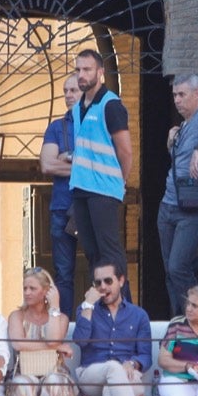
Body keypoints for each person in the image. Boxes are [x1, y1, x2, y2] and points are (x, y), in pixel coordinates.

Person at [67, 51, 133, 279]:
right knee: (92, 254)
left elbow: (125, 151)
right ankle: (103, 306)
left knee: (110, 253)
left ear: (100, 73)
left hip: (104, 189)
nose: (81, 75)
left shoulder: (110, 104)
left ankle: (125, 308)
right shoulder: (77, 108)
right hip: (81, 188)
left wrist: (119, 180)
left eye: (87, 69)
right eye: (78, 70)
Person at [157, 74, 198, 317]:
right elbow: (177, 160)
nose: (177, 100)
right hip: (168, 205)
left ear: (196, 94)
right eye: (174, 95)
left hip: (194, 208)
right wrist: (171, 140)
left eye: (182, 94)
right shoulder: (182, 126)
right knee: (171, 272)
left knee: (178, 267)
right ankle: (179, 319)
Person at [73, 261, 151, 396]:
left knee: (111, 388)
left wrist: (132, 363)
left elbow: (145, 356)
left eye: (108, 281)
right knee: (113, 368)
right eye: (98, 283)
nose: (103, 287)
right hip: (91, 376)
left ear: (121, 281)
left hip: (128, 377)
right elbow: (80, 341)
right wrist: (88, 306)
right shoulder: (86, 309)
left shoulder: (139, 315)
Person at [5, 267, 75, 396]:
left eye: (32, 288)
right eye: (25, 288)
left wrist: (54, 307)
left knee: (55, 381)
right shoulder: (17, 316)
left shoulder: (60, 318)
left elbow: (52, 340)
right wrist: (57, 347)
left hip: (54, 370)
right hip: (24, 370)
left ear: (45, 292)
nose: (27, 292)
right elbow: (18, 345)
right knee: (23, 383)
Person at [39, 75, 80, 317]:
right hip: (62, 207)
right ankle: (63, 323)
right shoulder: (56, 127)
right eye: (65, 91)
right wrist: (84, 167)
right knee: (63, 272)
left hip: (91, 206)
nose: (68, 95)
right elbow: (47, 165)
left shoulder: (97, 124)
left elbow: (106, 163)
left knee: (102, 267)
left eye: (73, 90)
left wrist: (67, 156)